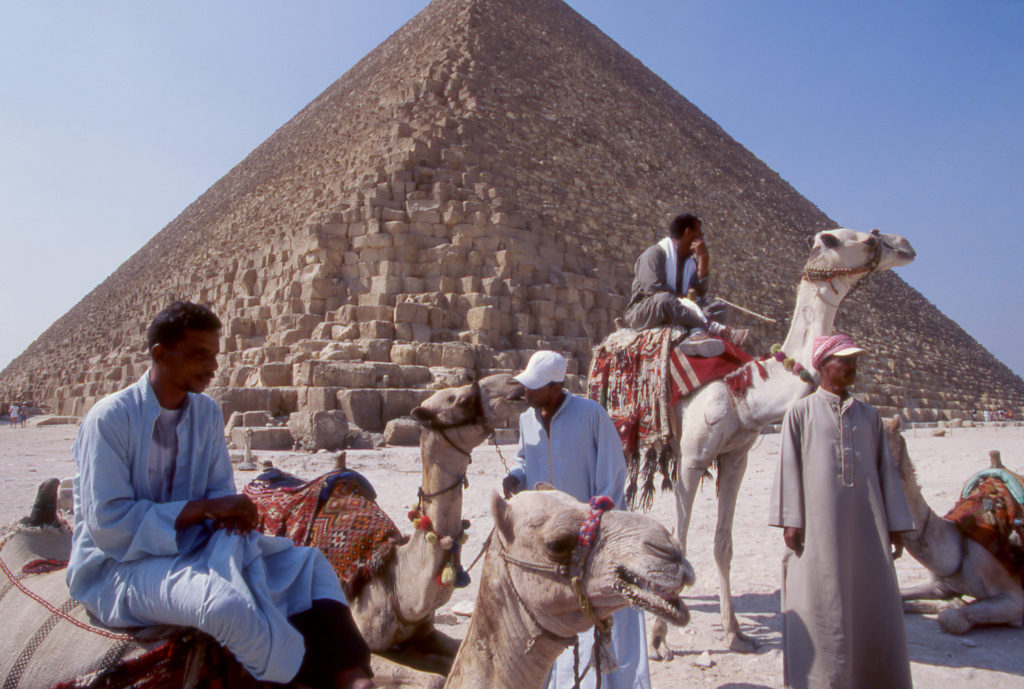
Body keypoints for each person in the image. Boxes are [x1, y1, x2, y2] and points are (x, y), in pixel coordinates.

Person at [66, 301, 374, 689]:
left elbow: (217, 491)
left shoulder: (207, 413)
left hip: (194, 544)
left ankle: (353, 676)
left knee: (306, 564)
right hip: (119, 565)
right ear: (160, 354)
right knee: (226, 606)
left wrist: (229, 516)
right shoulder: (109, 419)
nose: (213, 366)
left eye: (215, 354)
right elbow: (108, 525)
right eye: (199, 354)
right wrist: (207, 509)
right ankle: (300, 679)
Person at [768, 333, 915, 689]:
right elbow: (789, 468)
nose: (852, 366)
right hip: (817, 529)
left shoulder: (869, 417)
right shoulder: (800, 413)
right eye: (843, 360)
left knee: (871, 600)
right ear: (822, 366)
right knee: (821, 601)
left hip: (868, 527)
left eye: (853, 360)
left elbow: (885, 474)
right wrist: (791, 520)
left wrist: (895, 524)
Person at [502, 350, 650, 689]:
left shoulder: (591, 415)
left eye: (534, 387)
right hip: (546, 541)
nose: (526, 392)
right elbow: (524, 459)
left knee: (607, 618)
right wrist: (516, 476)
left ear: (557, 387)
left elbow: (612, 475)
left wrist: (595, 523)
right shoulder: (527, 420)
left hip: (593, 535)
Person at [623, 213, 747, 357]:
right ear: (688, 233)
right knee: (665, 299)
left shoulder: (690, 263)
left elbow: (700, 292)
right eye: (700, 234)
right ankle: (712, 328)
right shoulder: (654, 254)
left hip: (679, 309)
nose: (701, 239)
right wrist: (686, 303)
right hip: (646, 311)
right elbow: (653, 289)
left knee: (718, 307)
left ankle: (696, 326)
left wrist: (703, 258)